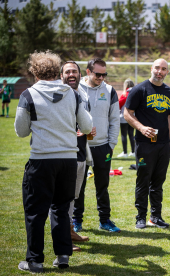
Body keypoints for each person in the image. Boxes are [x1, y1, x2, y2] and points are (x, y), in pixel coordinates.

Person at [15, 51, 93, 273]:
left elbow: (21, 131)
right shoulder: (73, 94)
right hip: (68, 161)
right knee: (60, 209)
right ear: (57, 71)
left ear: (35, 71)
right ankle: (63, 257)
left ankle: (35, 261)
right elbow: (86, 127)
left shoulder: (28, 94)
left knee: (36, 212)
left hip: (41, 160)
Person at [124, 59, 170, 229]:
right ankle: (140, 216)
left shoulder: (169, 91)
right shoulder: (140, 89)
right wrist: (141, 128)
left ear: (167, 72)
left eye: (163, 69)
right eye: (157, 68)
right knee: (143, 180)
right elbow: (127, 113)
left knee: (158, 182)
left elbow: (169, 118)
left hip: (163, 145)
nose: (159, 71)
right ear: (151, 69)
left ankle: (156, 216)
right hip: (144, 144)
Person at [73, 58, 121, 233]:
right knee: (78, 186)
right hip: (80, 145)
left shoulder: (109, 90)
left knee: (102, 185)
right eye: (98, 74)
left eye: (104, 74)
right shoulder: (76, 89)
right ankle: (76, 220)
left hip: (102, 146)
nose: (102, 78)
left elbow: (115, 119)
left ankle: (105, 220)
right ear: (88, 72)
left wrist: (111, 144)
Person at [60, 61, 94, 252]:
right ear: (61, 75)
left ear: (81, 74)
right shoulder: (57, 94)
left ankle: (70, 230)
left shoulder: (82, 94)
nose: (72, 74)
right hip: (64, 154)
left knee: (73, 195)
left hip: (81, 152)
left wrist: (88, 130)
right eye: (67, 72)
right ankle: (64, 237)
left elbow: (84, 122)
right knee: (63, 198)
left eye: (75, 71)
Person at [117, 79, 135, 158]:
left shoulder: (124, 94)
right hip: (133, 118)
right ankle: (133, 151)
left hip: (124, 117)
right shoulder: (135, 94)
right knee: (131, 134)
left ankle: (125, 153)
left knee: (124, 135)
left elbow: (119, 105)